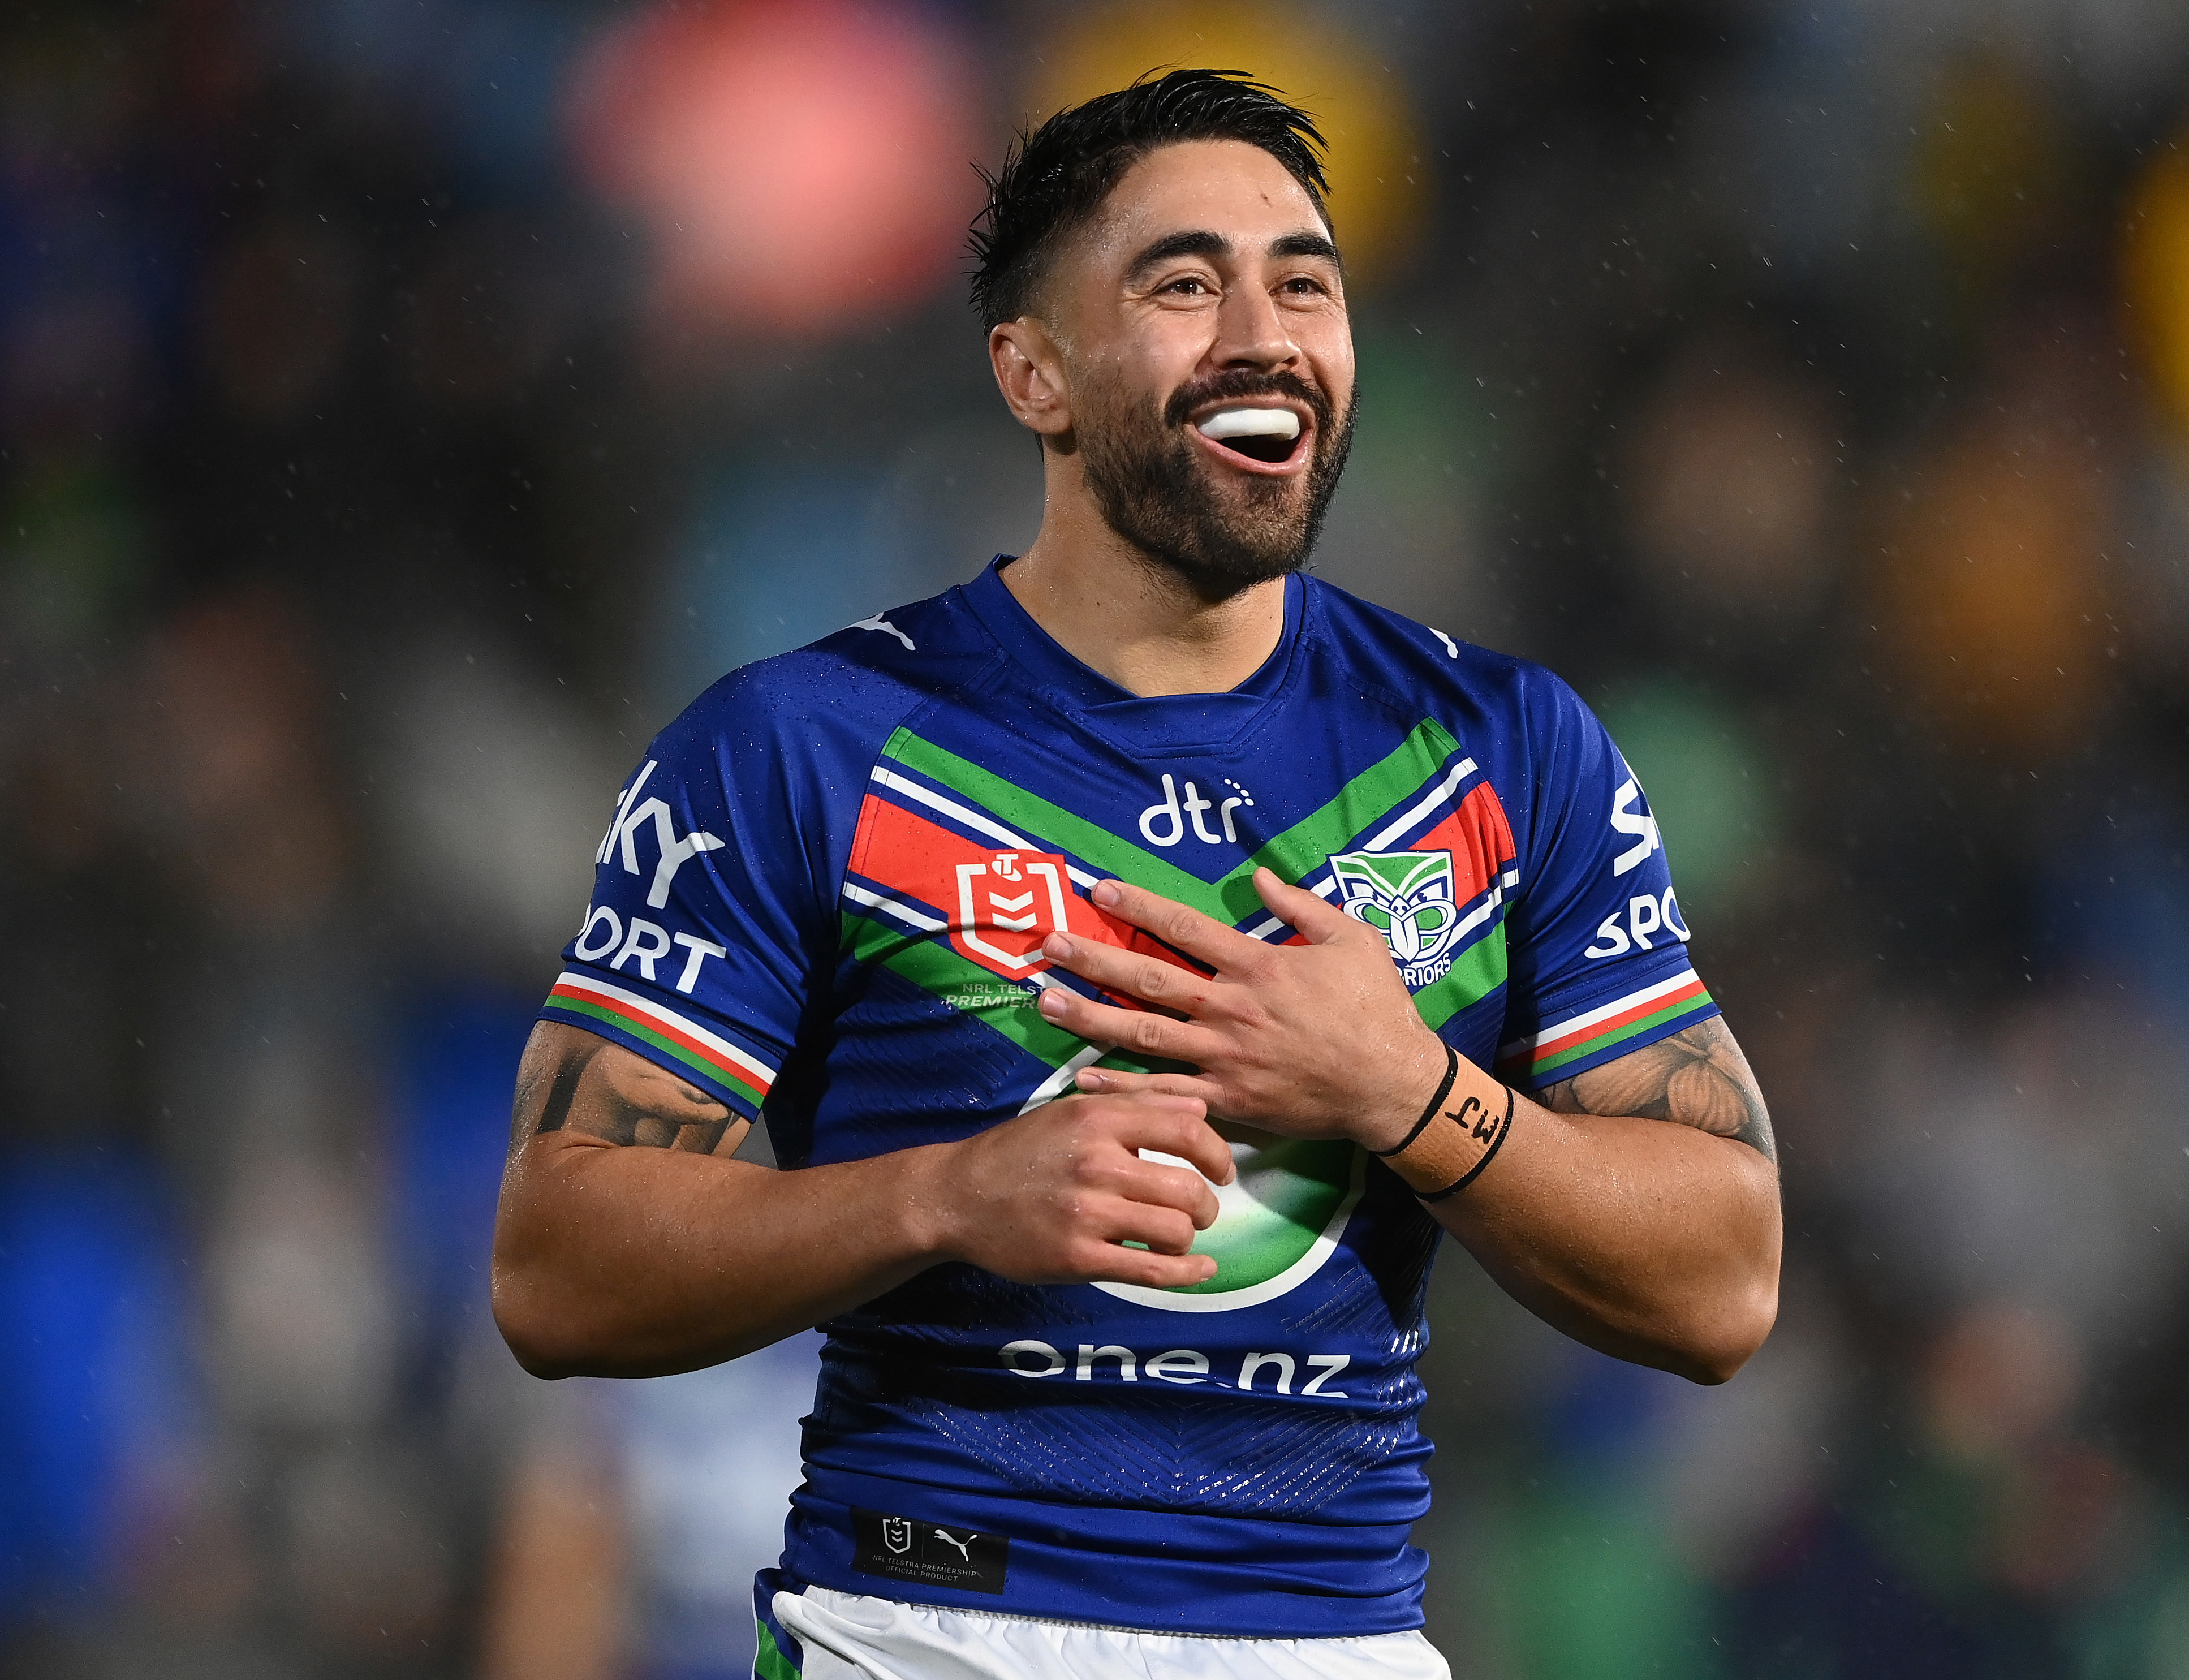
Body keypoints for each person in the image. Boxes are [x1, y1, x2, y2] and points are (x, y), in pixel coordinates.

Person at [491, 69, 1782, 1680]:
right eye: (1186, 282)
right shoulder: (800, 745)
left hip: (1337, 1643)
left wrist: (1402, 1084)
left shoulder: (1509, 750)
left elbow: (1723, 1278)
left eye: (1305, 281)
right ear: (1033, 371)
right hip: (925, 1628)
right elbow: (554, 1265)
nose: (1265, 328)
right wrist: (946, 1191)